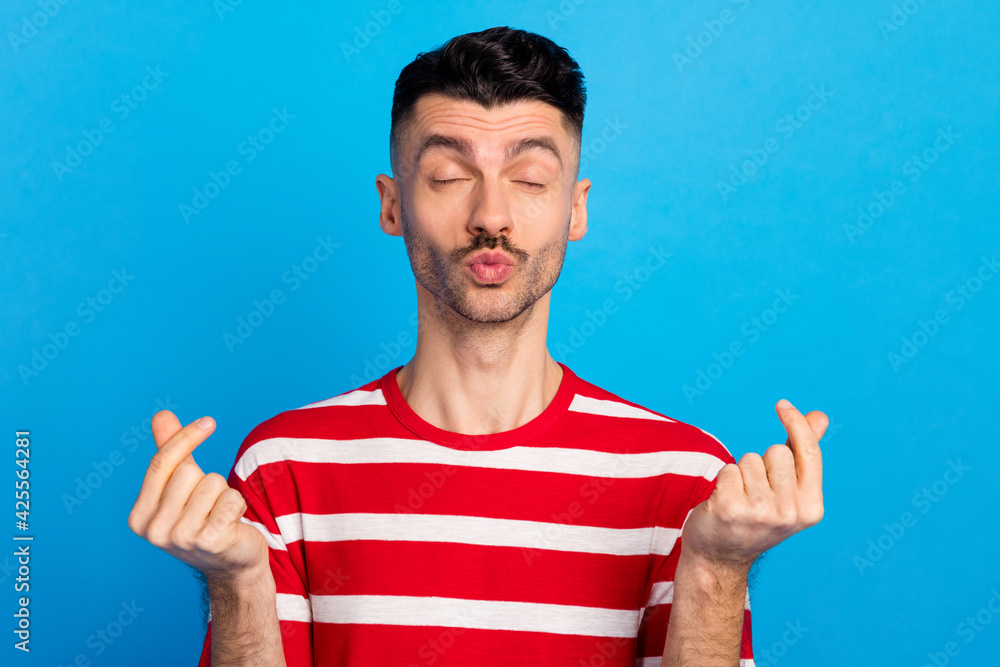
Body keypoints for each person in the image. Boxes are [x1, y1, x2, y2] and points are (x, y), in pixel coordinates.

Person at [127, 25, 827, 666]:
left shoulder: (684, 478)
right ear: (393, 204)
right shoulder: (287, 470)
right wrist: (235, 581)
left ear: (575, 206)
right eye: (448, 176)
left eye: (529, 179)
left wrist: (716, 569)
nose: (491, 215)